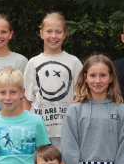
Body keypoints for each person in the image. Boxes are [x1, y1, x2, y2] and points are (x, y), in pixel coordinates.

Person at [24, 12, 83, 148]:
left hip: (66, 130)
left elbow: (80, 97)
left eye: (58, 32)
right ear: (41, 33)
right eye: (49, 31)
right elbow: (27, 99)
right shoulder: (33, 63)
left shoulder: (74, 62)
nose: (53, 36)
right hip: (39, 129)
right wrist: (27, 126)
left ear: (65, 34)